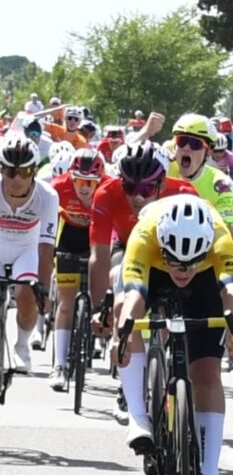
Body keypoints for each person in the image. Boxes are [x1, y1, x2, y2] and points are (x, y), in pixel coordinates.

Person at [118, 195, 233, 475]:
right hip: (152, 275)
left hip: (206, 285)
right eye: (175, 260)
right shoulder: (145, 234)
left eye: (190, 261)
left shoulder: (219, 237)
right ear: (164, 246)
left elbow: (231, 291)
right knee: (126, 318)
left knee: (206, 373)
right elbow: (134, 295)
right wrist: (120, 335)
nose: (182, 269)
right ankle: (138, 417)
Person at [88, 142, 197, 440]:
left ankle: (170, 379)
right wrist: (100, 307)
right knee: (120, 293)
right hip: (128, 249)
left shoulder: (185, 193)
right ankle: (136, 410)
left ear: (163, 182)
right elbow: (97, 256)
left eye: (147, 189)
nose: (137, 196)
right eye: (131, 187)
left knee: (179, 317)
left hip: (170, 252)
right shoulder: (106, 194)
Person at [48, 149, 106, 390]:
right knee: (66, 302)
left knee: (101, 292)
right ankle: (59, 365)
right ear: (70, 177)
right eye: (79, 181)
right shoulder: (58, 187)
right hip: (70, 237)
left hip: (96, 236)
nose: (84, 188)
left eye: (90, 183)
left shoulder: (108, 189)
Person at [0, 135, 58, 372]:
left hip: (28, 249)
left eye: (23, 173)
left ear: (34, 171)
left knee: (26, 292)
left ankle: (22, 345)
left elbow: (46, 247)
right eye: (9, 171)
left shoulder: (48, 196)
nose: (15, 179)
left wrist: (42, 288)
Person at [165, 114, 233, 234]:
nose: (187, 148)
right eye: (181, 141)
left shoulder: (220, 184)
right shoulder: (163, 170)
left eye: (195, 144)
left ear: (208, 152)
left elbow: (228, 234)